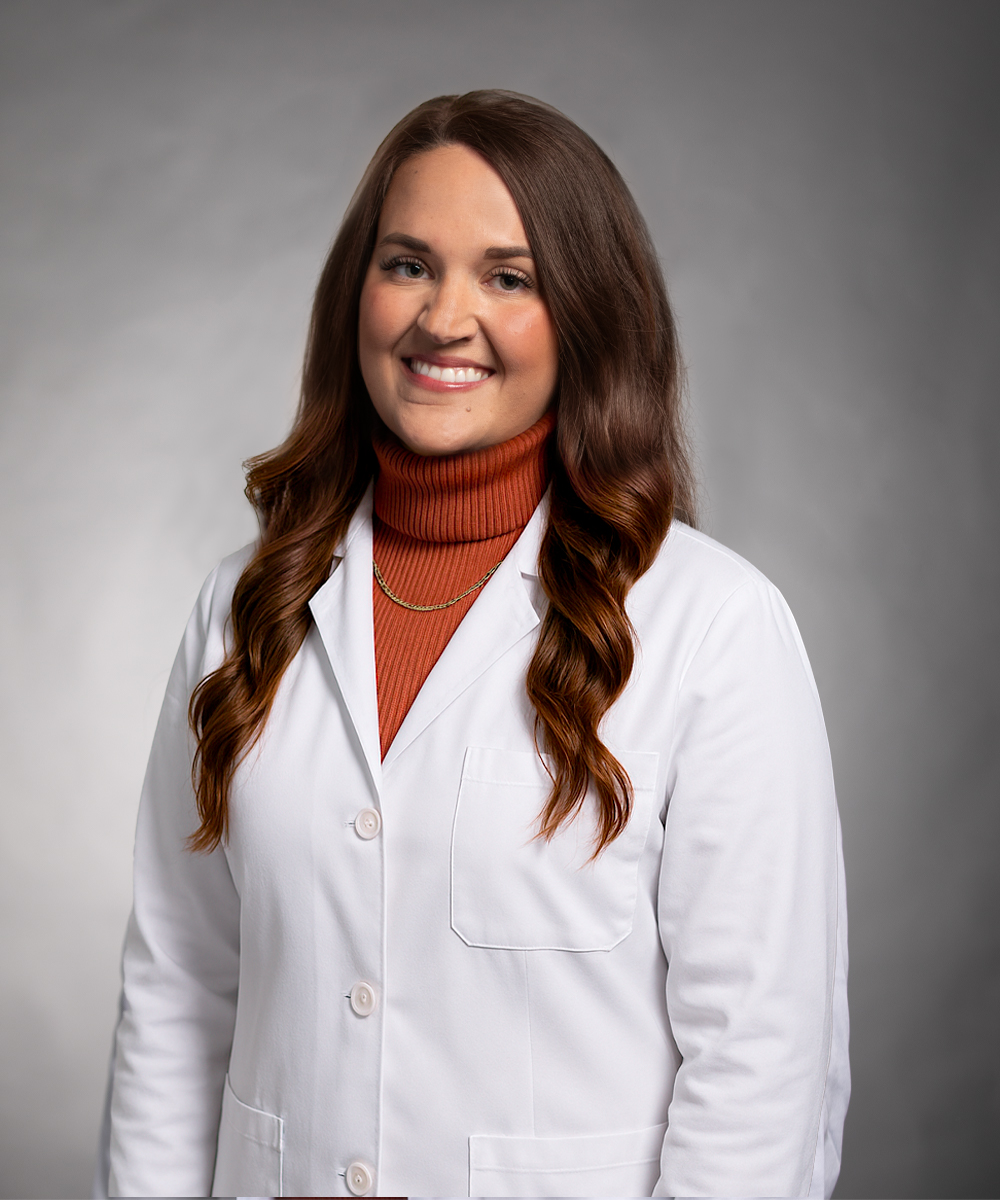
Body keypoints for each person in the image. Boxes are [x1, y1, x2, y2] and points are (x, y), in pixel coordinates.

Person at [105, 90, 849, 1198]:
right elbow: (176, 995)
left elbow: (763, 1066)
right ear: (354, 293)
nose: (442, 319)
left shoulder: (712, 627)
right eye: (407, 264)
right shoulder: (240, 609)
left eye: (508, 277)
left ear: (587, 315)